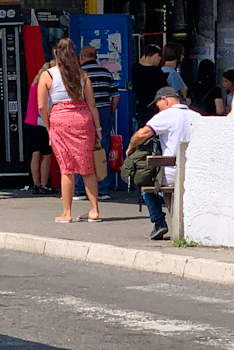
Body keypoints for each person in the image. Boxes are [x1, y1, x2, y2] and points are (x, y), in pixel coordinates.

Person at [38, 38, 102, 223]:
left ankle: (67, 213)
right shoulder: (82, 75)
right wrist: (97, 128)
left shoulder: (47, 75)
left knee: (67, 168)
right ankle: (94, 210)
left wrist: (49, 128)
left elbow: (42, 106)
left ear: (56, 54)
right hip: (83, 119)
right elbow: (92, 104)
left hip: (60, 120)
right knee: (87, 166)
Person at [125, 87, 194, 240]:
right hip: (194, 174)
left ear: (165, 100)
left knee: (145, 179)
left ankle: (158, 222)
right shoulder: (197, 116)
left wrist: (131, 146)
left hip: (172, 175)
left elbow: (142, 134)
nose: (158, 110)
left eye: (158, 106)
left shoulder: (166, 116)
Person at [77, 45, 117, 201]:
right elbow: (115, 96)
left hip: (83, 112)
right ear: (95, 56)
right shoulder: (106, 73)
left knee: (82, 149)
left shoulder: (79, 73)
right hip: (104, 111)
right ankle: (102, 188)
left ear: (82, 57)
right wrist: (110, 112)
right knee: (102, 149)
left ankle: (81, 189)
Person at [25, 59, 54, 195]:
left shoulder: (34, 84)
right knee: (47, 155)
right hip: (42, 122)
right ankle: (44, 185)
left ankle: (35, 184)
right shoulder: (47, 85)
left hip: (30, 122)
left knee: (35, 154)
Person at [132, 45, 165, 125]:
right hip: (153, 107)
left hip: (138, 107)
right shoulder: (157, 73)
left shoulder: (134, 68)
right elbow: (165, 90)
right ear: (156, 55)